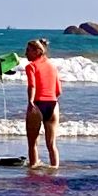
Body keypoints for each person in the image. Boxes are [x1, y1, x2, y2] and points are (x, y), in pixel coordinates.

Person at [24, 38, 62, 167]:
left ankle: (33, 168)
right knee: (52, 144)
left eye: (28, 50)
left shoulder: (31, 66)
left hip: (37, 104)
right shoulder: (52, 66)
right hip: (53, 104)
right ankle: (55, 169)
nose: (25, 54)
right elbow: (58, 90)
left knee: (32, 142)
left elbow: (32, 86)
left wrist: (30, 102)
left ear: (37, 51)